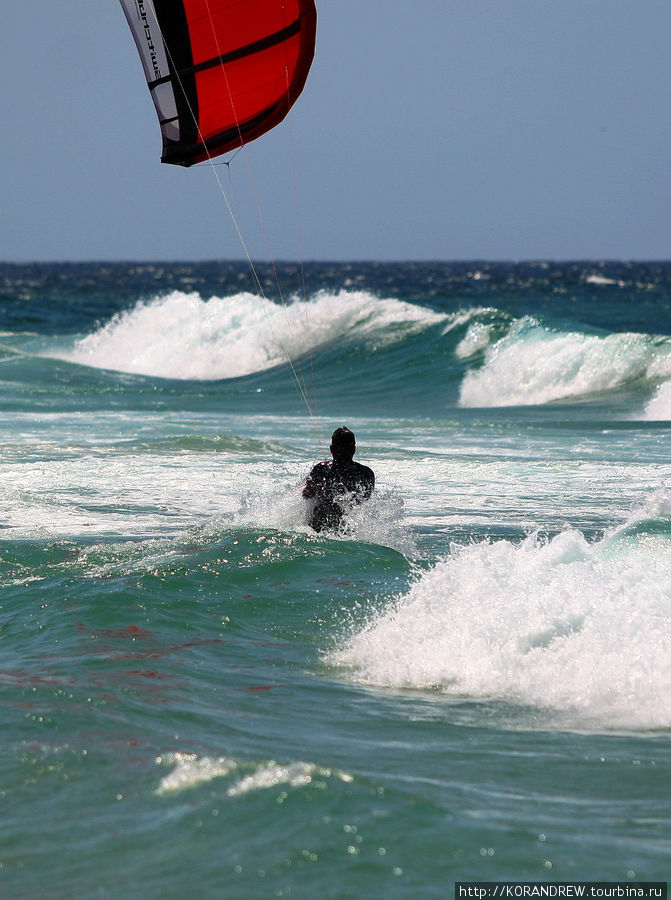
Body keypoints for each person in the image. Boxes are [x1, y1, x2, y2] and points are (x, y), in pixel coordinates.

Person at [303, 427, 375, 533]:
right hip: (348, 524)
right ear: (353, 450)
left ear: (332, 449)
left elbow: (307, 494)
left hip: (320, 523)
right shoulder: (366, 473)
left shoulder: (322, 469)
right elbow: (365, 500)